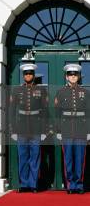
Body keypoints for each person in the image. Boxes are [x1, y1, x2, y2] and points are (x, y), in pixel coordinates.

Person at [8, 63, 48, 193]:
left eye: (30, 73)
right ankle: (24, 184)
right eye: (26, 73)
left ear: (34, 75)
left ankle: (33, 184)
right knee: (23, 157)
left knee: (35, 157)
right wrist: (12, 130)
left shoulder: (41, 90)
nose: (28, 75)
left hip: (36, 128)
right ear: (23, 75)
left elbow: (45, 112)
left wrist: (44, 130)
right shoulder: (16, 90)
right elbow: (12, 111)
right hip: (21, 128)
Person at [55, 63, 90, 194]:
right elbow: (58, 113)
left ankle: (79, 185)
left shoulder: (85, 92)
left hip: (81, 130)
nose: (73, 76)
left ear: (79, 76)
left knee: (80, 159)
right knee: (68, 158)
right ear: (66, 77)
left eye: (75, 74)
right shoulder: (61, 92)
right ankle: (71, 185)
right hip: (66, 130)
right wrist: (58, 131)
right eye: (70, 74)